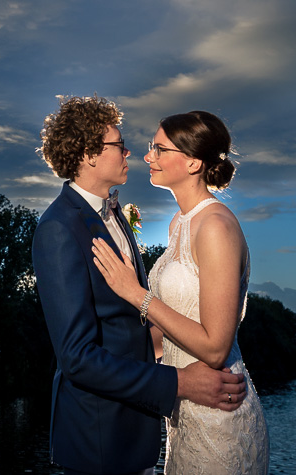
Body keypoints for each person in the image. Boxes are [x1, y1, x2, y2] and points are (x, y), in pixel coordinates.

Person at [33, 95, 247, 475]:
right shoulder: (59, 228)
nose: (132, 152)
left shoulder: (117, 214)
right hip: (99, 437)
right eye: (119, 144)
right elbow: (77, 358)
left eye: (157, 148)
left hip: (145, 428)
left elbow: (130, 325)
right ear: (89, 154)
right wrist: (179, 382)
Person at [91, 110, 269, 475]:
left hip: (221, 414)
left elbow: (216, 346)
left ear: (192, 163)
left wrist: (136, 294)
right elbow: (170, 332)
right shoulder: (179, 223)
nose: (147, 156)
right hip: (183, 411)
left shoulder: (216, 226)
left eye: (159, 149)